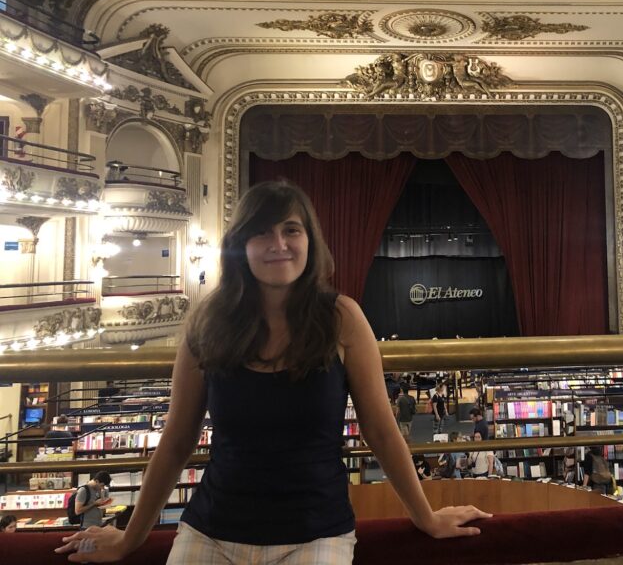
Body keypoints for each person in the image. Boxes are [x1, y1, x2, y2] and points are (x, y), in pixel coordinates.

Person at [57, 180, 489, 563]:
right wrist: (131, 539)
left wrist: (426, 517)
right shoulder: (207, 323)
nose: (277, 243)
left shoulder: (342, 318)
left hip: (315, 532)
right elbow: (176, 441)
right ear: (241, 245)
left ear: (309, 241)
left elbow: (380, 430)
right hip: (212, 528)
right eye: (261, 231)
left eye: (291, 230)